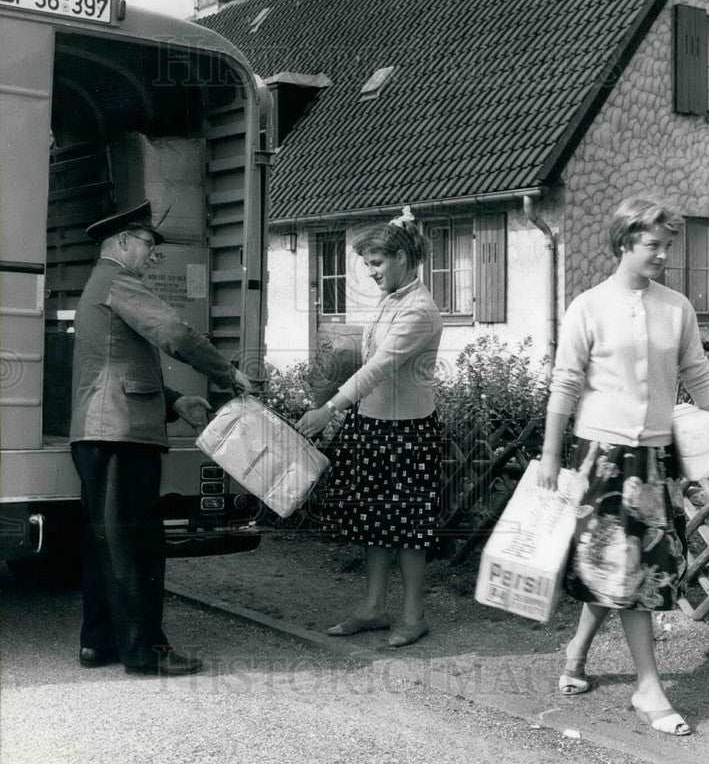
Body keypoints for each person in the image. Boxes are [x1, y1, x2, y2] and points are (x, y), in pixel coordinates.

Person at [538, 195, 709, 736]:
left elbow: (698, 375)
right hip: (601, 455)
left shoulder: (677, 308)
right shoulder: (588, 306)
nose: (664, 255)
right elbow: (565, 384)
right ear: (624, 242)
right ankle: (648, 688)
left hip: (655, 456)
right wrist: (552, 455)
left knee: (628, 567)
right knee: (627, 568)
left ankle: (576, 651)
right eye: (654, 244)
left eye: (669, 245)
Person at [70, 200, 251, 676]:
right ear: (122, 242)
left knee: (107, 543)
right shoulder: (117, 281)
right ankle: (146, 651)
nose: (153, 254)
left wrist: (174, 401)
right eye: (148, 244)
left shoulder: (100, 286)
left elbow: (114, 365)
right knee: (138, 546)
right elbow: (174, 331)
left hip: (103, 430)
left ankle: (100, 642)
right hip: (121, 433)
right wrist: (225, 371)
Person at [295, 208, 443, 647]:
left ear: (402, 258)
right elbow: (364, 361)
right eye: (368, 265)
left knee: (410, 526)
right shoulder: (391, 301)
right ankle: (373, 609)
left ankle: (414, 615)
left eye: (377, 263)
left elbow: (379, 367)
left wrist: (330, 409)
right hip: (374, 426)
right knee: (373, 522)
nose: (371, 273)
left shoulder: (419, 310)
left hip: (408, 432)